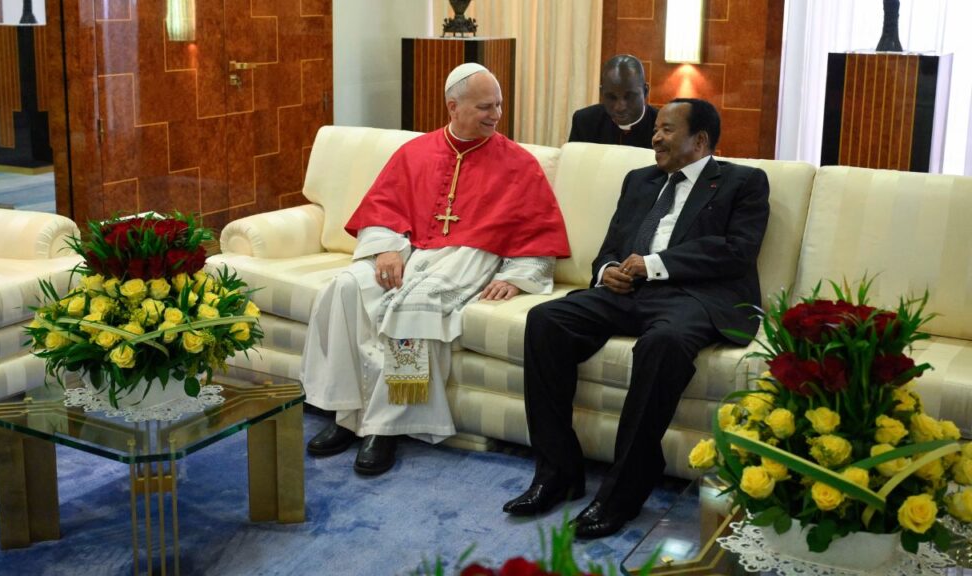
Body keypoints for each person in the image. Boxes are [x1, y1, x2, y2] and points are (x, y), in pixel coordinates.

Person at [504, 98, 770, 539]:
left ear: (700, 140)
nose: (656, 137)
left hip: (693, 298)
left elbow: (737, 250)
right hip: (627, 294)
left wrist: (656, 264)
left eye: (667, 129)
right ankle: (558, 473)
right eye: (656, 130)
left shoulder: (742, 182)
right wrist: (607, 272)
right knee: (547, 321)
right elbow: (610, 247)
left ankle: (622, 494)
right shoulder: (640, 180)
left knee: (662, 345)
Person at [301, 63, 571, 476]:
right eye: (484, 106)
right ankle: (345, 413)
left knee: (418, 305)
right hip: (409, 250)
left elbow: (537, 229)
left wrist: (514, 278)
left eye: (498, 105)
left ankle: (384, 429)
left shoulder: (519, 164)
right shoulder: (415, 152)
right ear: (453, 107)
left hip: (470, 255)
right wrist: (387, 248)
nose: (496, 115)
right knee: (342, 288)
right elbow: (384, 207)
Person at [568, 54, 657, 147]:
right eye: (611, 97)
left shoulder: (663, 127)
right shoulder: (584, 122)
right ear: (601, 93)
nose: (620, 107)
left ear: (645, 91)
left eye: (629, 96)